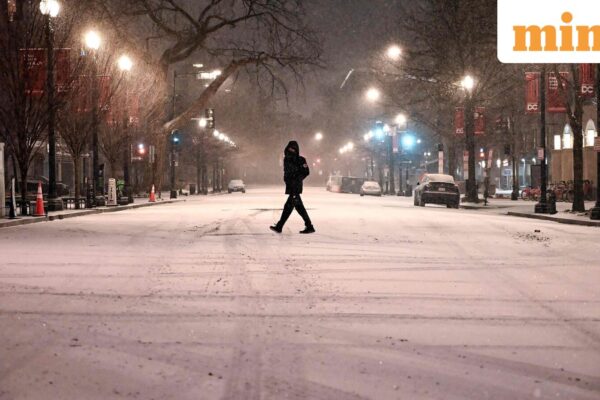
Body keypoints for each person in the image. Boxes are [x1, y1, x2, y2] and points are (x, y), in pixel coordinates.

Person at [270, 141, 315, 234]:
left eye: (293, 149)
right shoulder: (286, 159)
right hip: (290, 186)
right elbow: (286, 172)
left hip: (296, 187)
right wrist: (286, 179)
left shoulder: (301, 159)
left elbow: (306, 172)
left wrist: (297, 179)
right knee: (297, 207)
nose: (291, 150)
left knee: (289, 206)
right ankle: (309, 226)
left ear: (297, 150)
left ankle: (279, 226)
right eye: (290, 148)